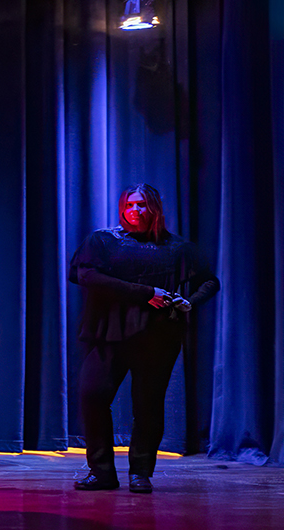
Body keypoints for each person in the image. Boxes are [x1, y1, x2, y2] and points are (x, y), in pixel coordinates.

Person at [69, 184, 217, 494]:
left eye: (141, 205)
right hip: (108, 332)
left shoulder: (178, 248)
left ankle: (141, 473)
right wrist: (146, 293)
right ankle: (102, 472)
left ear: (155, 208)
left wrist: (190, 302)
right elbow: (86, 275)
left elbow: (210, 281)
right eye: (129, 205)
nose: (134, 211)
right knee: (93, 397)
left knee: (147, 406)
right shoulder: (103, 241)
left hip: (157, 335)